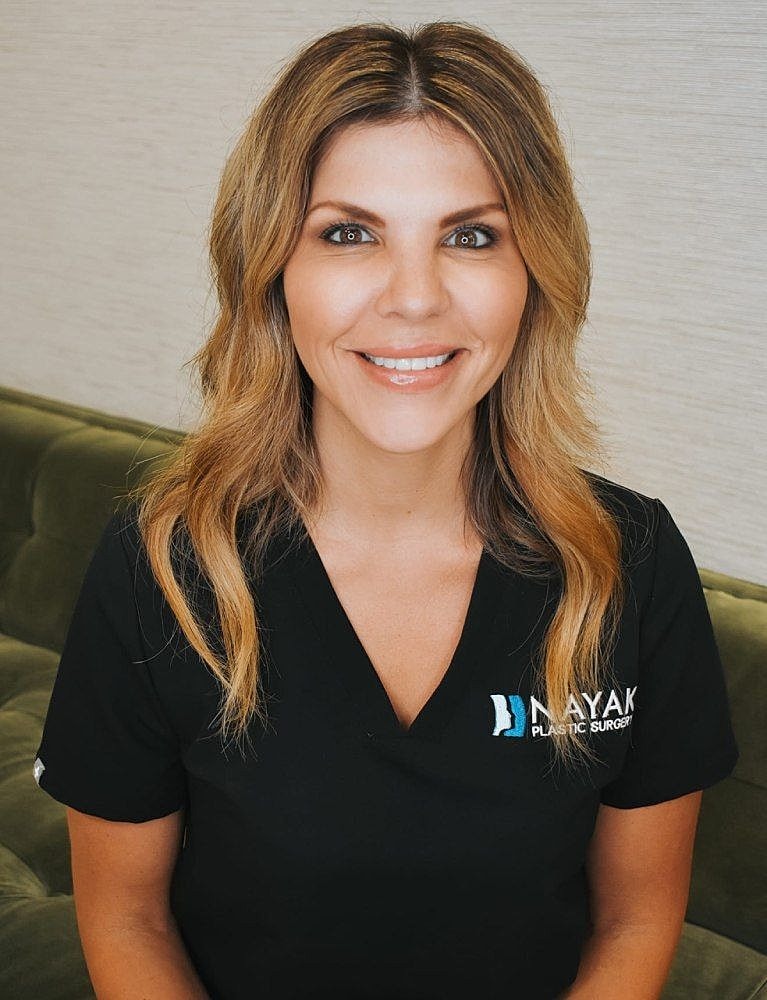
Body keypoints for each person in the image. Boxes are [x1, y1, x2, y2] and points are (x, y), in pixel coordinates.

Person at [32, 19, 739, 1000]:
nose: (413, 298)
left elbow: (634, 915)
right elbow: (125, 915)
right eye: (349, 232)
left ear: (532, 272)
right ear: (273, 271)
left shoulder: (631, 561)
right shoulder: (164, 563)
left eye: (470, 234)